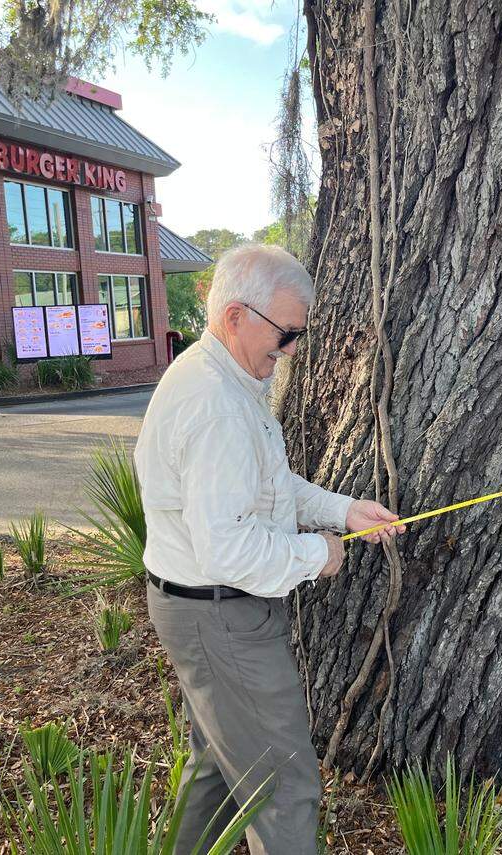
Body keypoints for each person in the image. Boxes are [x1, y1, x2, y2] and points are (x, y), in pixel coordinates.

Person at [135, 243, 405, 854]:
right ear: (235, 317)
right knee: (284, 788)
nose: (288, 352)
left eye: (296, 338)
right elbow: (228, 549)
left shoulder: (220, 376)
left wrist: (342, 510)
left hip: (202, 612)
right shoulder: (217, 407)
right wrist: (319, 555)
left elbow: (264, 488)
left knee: (216, 774)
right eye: (284, 335)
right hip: (220, 615)